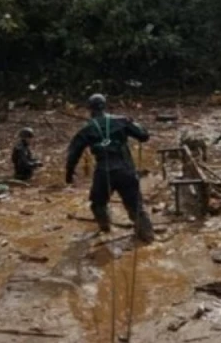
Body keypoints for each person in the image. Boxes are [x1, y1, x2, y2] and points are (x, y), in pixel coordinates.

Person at [65, 93, 155, 243]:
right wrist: (133, 124)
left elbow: (73, 154)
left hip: (103, 172)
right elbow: (144, 136)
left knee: (98, 204)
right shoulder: (121, 121)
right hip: (126, 170)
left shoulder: (86, 130)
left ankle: (105, 228)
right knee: (136, 206)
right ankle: (148, 237)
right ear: (105, 106)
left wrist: (69, 174)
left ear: (89, 109)